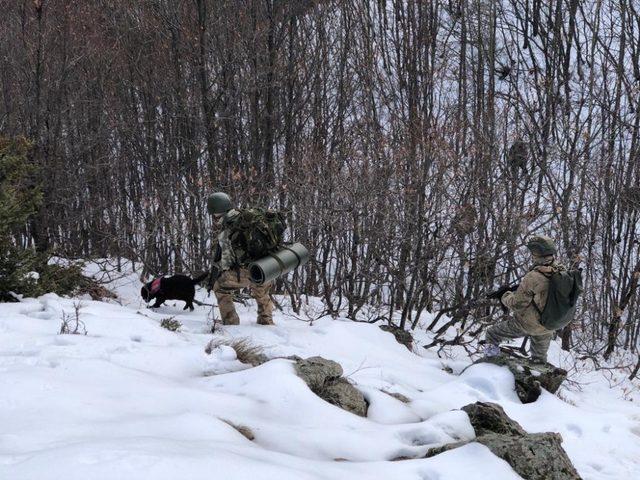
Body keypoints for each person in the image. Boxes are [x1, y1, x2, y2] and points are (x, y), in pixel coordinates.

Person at [484, 235, 563, 363]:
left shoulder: (533, 276)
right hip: (549, 325)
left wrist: (505, 295)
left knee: (492, 334)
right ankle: (539, 378)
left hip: (528, 324)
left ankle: (489, 363)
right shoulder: (561, 271)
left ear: (536, 253)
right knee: (539, 360)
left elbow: (517, 304)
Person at [206, 192, 274, 326]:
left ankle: (230, 322)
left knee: (219, 287)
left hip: (248, 270)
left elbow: (226, 261)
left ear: (214, 211)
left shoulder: (228, 226)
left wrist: (222, 273)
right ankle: (266, 321)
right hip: (268, 265)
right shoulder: (245, 216)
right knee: (261, 289)